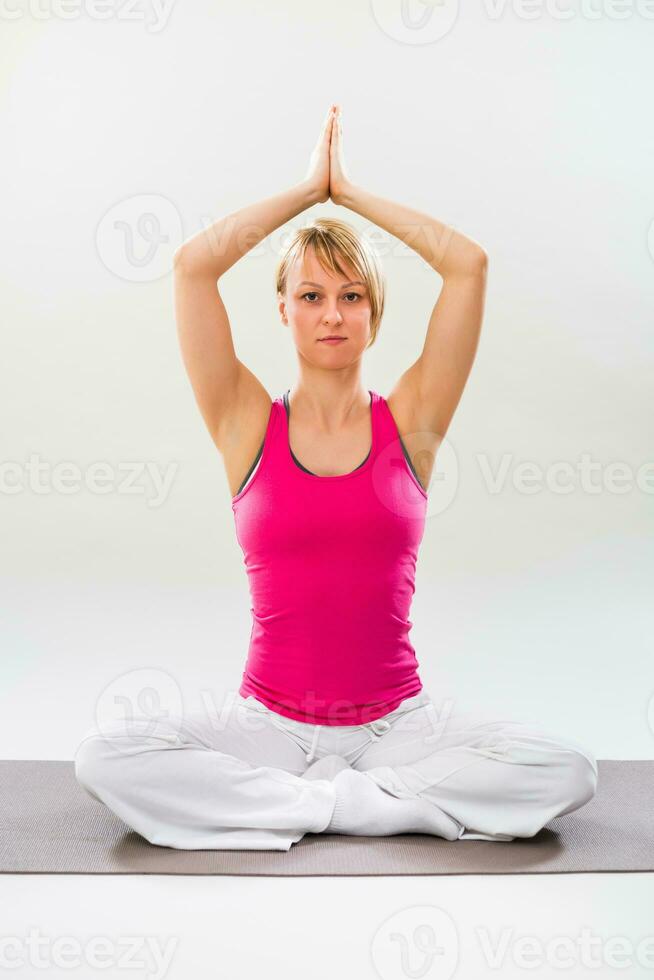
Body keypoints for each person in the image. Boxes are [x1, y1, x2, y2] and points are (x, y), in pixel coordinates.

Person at [74, 105, 598, 850]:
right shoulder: (245, 423)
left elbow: (467, 265)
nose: (332, 314)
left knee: (568, 770)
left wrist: (347, 195)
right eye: (312, 296)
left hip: (397, 726)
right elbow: (194, 266)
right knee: (107, 757)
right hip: (270, 725)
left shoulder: (412, 420)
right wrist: (305, 192)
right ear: (283, 311)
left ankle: (307, 805)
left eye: (352, 296)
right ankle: (355, 807)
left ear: (374, 317)